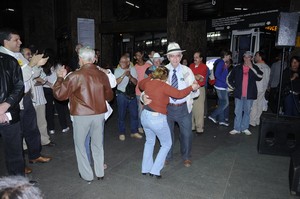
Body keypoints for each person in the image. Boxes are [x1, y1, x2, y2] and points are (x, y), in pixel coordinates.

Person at [53, 46, 114, 183]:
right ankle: (99, 172)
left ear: (80, 59)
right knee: (98, 144)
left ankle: (87, 175)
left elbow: (59, 94)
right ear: (93, 59)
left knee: (81, 146)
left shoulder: (75, 76)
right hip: (99, 114)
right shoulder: (102, 75)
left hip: (81, 116)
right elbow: (109, 96)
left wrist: (59, 79)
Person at [0, 29, 51, 175]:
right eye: (16, 40)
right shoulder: (4, 57)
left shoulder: (17, 55)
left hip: (26, 96)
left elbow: (30, 76)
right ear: (6, 41)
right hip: (14, 102)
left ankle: (35, 155)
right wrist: (31, 65)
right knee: (16, 136)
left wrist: (36, 65)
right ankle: (19, 168)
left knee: (32, 128)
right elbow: (19, 79)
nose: (20, 42)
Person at [139, 66, 199, 178]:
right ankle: (155, 170)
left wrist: (151, 76)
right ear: (164, 77)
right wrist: (191, 87)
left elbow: (140, 84)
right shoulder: (163, 86)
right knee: (166, 144)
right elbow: (179, 94)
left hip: (145, 116)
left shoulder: (148, 83)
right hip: (157, 118)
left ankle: (145, 168)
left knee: (149, 141)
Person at [160, 42, 199, 167]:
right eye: (172, 56)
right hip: (167, 108)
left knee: (186, 134)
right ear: (168, 57)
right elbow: (153, 86)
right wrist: (145, 97)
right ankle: (167, 155)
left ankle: (186, 156)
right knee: (167, 134)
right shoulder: (163, 70)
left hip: (183, 108)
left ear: (181, 57)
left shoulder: (187, 71)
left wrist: (194, 88)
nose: (175, 59)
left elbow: (195, 90)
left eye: (178, 56)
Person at [227, 51, 263, 135]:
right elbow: (229, 78)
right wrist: (234, 88)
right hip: (239, 94)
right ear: (243, 58)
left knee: (247, 112)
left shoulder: (254, 67)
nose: (246, 59)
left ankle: (244, 128)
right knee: (237, 111)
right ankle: (237, 128)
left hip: (249, 94)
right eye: (245, 57)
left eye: (248, 57)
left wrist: (251, 68)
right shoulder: (237, 67)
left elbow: (260, 77)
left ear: (251, 58)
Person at [114, 55, 143, 141]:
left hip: (131, 95)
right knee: (121, 115)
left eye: (123, 62)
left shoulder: (133, 69)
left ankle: (134, 131)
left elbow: (135, 82)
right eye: (120, 61)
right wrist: (123, 75)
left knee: (134, 114)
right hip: (121, 95)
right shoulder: (117, 70)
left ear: (128, 62)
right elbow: (116, 83)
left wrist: (129, 76)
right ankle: (121, 132)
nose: (121, 63)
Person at [208, 50, 232, 127]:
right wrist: (226, 82)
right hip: (221, 86)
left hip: (220, 85)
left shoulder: (220, 62)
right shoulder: (221, 63)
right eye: (229, 56)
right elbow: (217, 74)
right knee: (225, 103)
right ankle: (213, 115)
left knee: (222, 103)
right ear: (226, 55)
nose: (230, 57)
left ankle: (221, 120)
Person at [250, 51, 270, 126]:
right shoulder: (268, 67)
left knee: (254, 104)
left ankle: (252, 121)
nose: (255, 57)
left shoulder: (256, 66)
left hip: (255, 87)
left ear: (260, 56)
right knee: (260, 103)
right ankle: (257, 120)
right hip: (263, 88)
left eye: (256, 55)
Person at [189, 51, 208, 134]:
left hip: (199, 89)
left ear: (201, 59)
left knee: (199, 109)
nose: (195, 59)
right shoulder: (191, 65)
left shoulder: (204, 67)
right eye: (194, 57)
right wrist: (196, 76)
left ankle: (199, 128)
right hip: (190, 88)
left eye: (197, 57)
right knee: (191, 107)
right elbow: (189, 76)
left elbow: (201, 79)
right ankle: (192, 126)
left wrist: (193, 76)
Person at [134, 51, 151, 133]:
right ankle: (140, 126)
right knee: (140, 110)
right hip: (138, 91)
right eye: (136, 56)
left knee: (148, 109)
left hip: (148, 91)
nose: (138, 57)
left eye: (139, 55)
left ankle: (148, 126)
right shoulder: (134, 67)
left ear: (142, 55)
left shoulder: (148, 66)